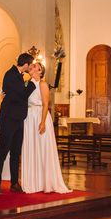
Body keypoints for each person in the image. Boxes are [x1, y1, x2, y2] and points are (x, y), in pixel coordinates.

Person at [21, 63, 71, 194]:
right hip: (29, 118)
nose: (31, 67)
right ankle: (33, 181)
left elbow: (45, 104)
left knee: (42, 148)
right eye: (31, 66)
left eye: (35, 66)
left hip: (39, 116)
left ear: (40, 70)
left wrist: (42, 122)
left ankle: (46, 182)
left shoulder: (42, 84)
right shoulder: (26, 83)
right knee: (32, 147)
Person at [0, 53, 36, 194]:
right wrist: (33, 82)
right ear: (26, 64)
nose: (31, 68)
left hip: (18, 119)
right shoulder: (10, 74)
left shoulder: (20, 76)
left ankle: (14, 183)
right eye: (31, 65)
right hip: (8, 119)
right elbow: (22, 94)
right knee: (3, 151)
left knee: (16, 153)